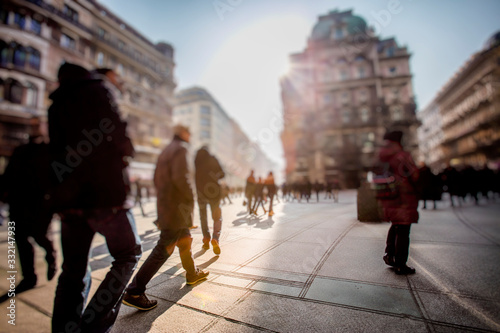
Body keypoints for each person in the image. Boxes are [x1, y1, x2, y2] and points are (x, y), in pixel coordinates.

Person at [48, 62, 141, 333]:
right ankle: (94, 323)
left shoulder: (56, 103)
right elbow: (118, 131)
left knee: (73, 270)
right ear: (105, 75)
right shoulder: (100, 90)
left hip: (70, 201)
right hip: (106, 195)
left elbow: (54, 152)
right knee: (127, 254)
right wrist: (126, 153)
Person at [122, 125, 209, 311]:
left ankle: (192, 273)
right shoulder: (181, 149)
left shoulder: (165, 151)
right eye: (189, 132)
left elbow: (155, 179)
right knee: (163, 248)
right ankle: (135, 291)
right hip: (177, 207)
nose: (191, 135)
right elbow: (182, 178)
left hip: (167, 205)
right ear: (184, 133)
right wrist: (190, 201)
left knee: (185, 239)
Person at [0, 117, 56, 293]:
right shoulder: (20, 150)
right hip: (18, 203)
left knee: (40, 235)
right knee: (21, 241)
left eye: (37, 124)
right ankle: (29, 277)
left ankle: (50, 253)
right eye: (32, 125)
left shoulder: (50, 150)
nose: (34, 128)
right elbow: (8, 175)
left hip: (40, 203)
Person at [378, 130, 419, 275]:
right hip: (404, 197)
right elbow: (414, 175)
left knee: (396, 224)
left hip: (389, 196)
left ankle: (389, 255)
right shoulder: (402, 156)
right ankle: (401, 264)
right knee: (403, 229)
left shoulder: (383, 156)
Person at [195, 145, 225, 254]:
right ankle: (215, 238)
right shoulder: (212, 158)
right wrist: (215, 176)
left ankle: (206, 238)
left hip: (200, 192)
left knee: (203, 216)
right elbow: (222, 174)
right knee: (217, 215)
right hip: (214, 191)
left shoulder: (196, 162)